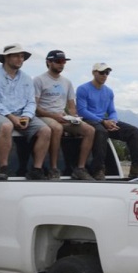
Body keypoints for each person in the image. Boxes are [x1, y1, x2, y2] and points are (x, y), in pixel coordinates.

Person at [0, 43, 51, 180]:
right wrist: (11, 117)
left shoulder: (26, 78)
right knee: (6, 126)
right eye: (16, 56)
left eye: (22, 56)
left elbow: (31, 101)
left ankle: (37, 169)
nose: (20, 59)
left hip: (21, 114)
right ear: (6, 58)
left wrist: (27, 117)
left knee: (45, 130)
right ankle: (4, 168)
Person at [76, 63, 138, 180]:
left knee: (134, 131)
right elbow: (82, 111)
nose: (104, 75)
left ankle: (136, 167)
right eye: (101, 73)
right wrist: (102, 121)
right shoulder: (83, 89)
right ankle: (98, 169)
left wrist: (113, 121)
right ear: (94, 73)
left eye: (107, 73)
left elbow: (112, 110)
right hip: (89, 120)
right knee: (101, 132)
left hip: (105, 122)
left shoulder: (108, 92)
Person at [34, 50, 95, 180]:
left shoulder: (67, 82)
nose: (61, 64)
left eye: (63, 62)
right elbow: (34, 106)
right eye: (58, 61)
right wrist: (52, 115)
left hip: (63, 116)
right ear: (48, 62)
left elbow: (72, 105)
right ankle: (54, 168)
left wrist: (74, 117)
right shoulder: (39, 80)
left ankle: (80, 168)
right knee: (57, 128)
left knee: (89, 130)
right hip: (44, 116)